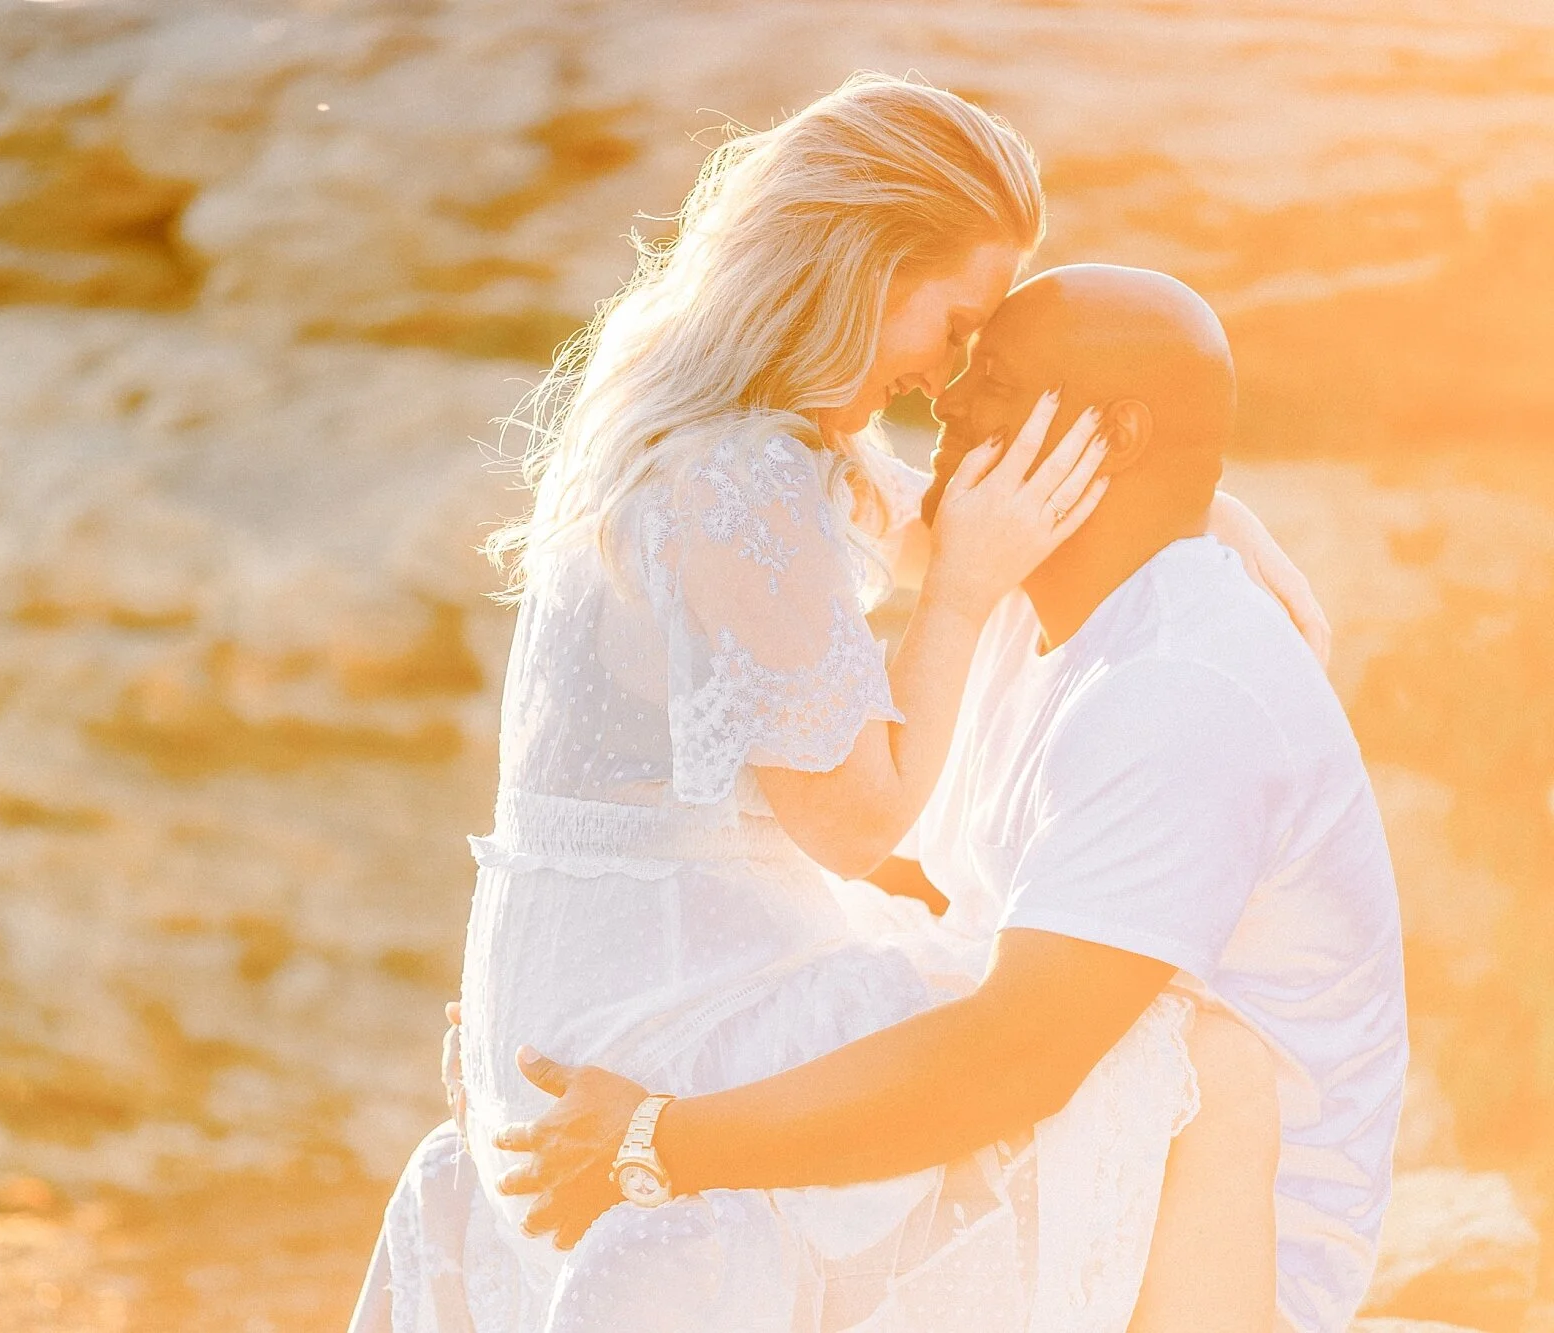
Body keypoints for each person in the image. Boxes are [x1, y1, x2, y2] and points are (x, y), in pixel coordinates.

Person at [351, 74, 1331, 1333]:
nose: (948, 374)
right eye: (956, 322)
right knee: (1174, 1055)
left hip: (590, 969)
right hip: (664, 995)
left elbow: (957, 522)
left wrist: (1194, 501)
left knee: (1067, 1036)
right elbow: (858, 825)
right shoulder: (740, 477)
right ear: (864, 266)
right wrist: (964, 600)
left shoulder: (712, 432)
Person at [491, 265, 1407, 1333]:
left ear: (1107, 436)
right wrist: (609, 987)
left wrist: (661, 1138)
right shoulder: (1034, 599)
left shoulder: (1178, 688)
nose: (948, 401)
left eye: (995, 380)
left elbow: (1017, 1054)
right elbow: (916, 881)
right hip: (1062, 1144)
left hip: (1206, 1254)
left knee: (683, 1215)